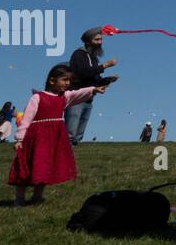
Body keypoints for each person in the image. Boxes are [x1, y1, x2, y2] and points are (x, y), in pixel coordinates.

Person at [10, 64, 106, 205]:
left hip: (53, 140)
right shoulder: (37, 97)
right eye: (64, 80)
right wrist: (20, 138)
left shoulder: (64, 97)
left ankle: (37, 196)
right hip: (36, 138)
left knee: (44, 167)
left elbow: (76, 94)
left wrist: (93, 89)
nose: (67, 83)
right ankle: (19, 198)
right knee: (27, 165)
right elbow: (26, 119)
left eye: (69, 80)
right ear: (52, 81)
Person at [65, 27, 118, 146]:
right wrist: (105, 66)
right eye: (97, 40)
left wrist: (108, 80)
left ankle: (74, 158)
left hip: (88, 99)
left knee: (78, 135)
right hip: (76, 98)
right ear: (88, 41)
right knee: (70, 133)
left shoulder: (94, 58)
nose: (100, 42)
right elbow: (84, 72)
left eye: (101, 39)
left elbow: (95, 78)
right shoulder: (79, 54)